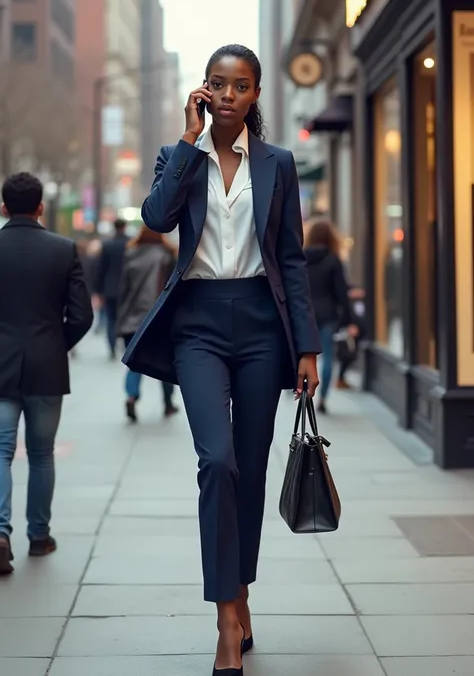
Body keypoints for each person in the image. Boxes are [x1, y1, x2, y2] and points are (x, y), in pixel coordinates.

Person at [123, 44, 321, 675]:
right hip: (199, 325)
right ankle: (225, 622)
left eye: (241, 86)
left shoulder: (279, 164)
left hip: (264, 326)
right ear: (204, 91)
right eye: (218, 84)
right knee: (217, 462)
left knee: (252, 472)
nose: (229, 94)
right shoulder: (179, 158)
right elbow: (156, 217)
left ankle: (241, 595)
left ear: (256, 94)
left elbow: (290, 258)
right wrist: (189, 140)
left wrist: (308, 346)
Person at [0, 173, 93, 575]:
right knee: (41, 454)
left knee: (1, 451)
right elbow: (83, 315)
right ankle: (39, 536)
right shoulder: (63, 249)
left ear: (4, 207)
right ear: (40, 207)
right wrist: (57, 343)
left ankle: (0, 533)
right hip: (46, 364)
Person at [117, 225, 179, 421]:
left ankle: (131, 397)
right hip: (158, 319)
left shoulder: (130, 254)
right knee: (165, 362)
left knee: (134, 363)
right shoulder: (167, 255)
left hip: (131, 319)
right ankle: (168, 403)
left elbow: (123, 291)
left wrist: (119, 320)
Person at [304, 217, 358, 413]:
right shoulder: (333, 260)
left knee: (302, 354)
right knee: (327, 358)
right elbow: (341, 293)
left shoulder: (301, 258)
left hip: (305, 314)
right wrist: (349, 320)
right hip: (327, 315)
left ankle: (301, 391)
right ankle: (323, 399)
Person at [96, 218, 129, 359]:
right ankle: (126, 347)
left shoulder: (107, 245)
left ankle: (112, 348)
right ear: (124, 227)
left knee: (111, 319)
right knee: (127, 318)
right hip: (127, 288)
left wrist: (98, 290)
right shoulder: (130, 244)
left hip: (110, 288)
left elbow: (101, 269)